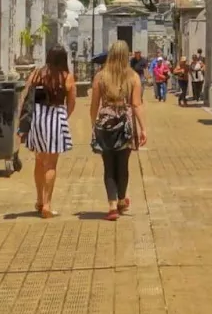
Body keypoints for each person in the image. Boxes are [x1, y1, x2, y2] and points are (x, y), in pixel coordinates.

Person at [89, 41, 147, 220]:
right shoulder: (133, 77)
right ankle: (122, 199)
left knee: (108, 165)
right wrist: (143, 128)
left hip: (105, 122)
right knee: (123, 165)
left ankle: (112, 205)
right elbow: (136, 104)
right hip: (125, 124)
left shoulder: (100, 76)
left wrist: (94, 125)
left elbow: (94, 104)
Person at [19, 46, 75, 218]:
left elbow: (25, 95)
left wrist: (22, 120)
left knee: (39, 161)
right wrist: (64, 116)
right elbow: (71, 102)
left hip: (37, 119)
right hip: (55, 118)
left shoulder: (37, 73)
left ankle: (39, 200)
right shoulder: (67, 77)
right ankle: (47, 205)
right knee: (51, 164)